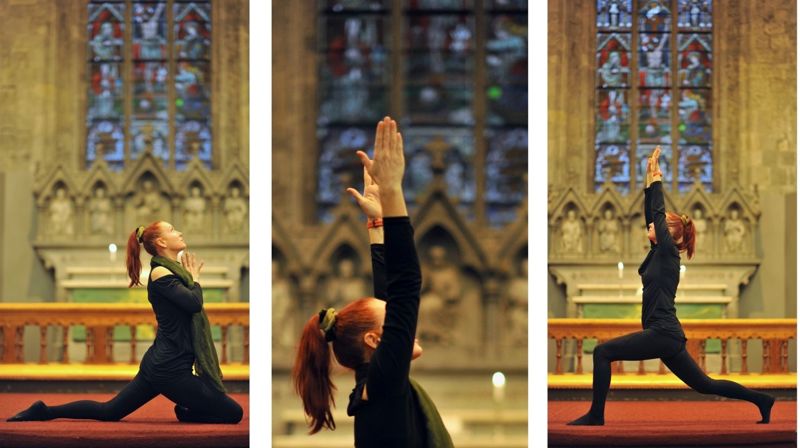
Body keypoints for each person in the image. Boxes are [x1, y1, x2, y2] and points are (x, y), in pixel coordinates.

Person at [567, 146, 775, 426]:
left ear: (671, 234)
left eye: (660, 224)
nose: (652, 225)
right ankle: (762, 400)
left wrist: (658, 179)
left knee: (602, 352)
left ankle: (596, 415)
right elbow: (650, 214)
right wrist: (648, 179)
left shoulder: (668, 252)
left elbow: (657, 212)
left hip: (662, 332)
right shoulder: (658, 252)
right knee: (705, 384)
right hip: (667, 334)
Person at [293, 117, 454, 447]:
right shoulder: (383, 380)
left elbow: (390, 292)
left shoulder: (374, 378)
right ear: (374, 340)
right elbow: (406, 285)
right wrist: (393, 193)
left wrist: (377, 224)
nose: (407, 325)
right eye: (392, 321)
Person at [8, 221, 243, 424]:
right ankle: (187, 409)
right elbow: (194, 303)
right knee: (234, 413)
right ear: (161, 242)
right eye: (172, 230)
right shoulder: (160, 273)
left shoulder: (173, 272)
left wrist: (190, 279)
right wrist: (196, 279)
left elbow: (189, 303)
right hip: (169, 369)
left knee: (109, 411)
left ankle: (44, 411)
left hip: (162, 364)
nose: (179, 232)